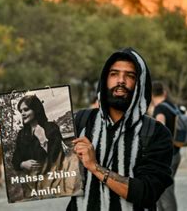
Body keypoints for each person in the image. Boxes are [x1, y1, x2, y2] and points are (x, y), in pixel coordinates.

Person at [68, 47, 173, 211]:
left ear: (140, 83)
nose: (120, 81)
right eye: (114, 74)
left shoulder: (156, 133)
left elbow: (147, 194)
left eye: (130, 76)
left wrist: (95, 167)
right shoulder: (81, 121)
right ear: (104, 80)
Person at [11, 94, 80, 198]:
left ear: (36, 110)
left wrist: (42, 138)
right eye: (21, 111)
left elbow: (57, 158)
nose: (23, 114)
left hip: (53, 184)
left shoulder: (51, 128)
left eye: (26, 110)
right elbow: (15, 158)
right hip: (31, 186)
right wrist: (22, 164)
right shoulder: (22, 134)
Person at [151, 81, 181, 211]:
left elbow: (160, 125)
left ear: (151, 95)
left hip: (165, 158)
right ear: (164, 93)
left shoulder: (160, 108)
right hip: (175, 153)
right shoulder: (172, 106)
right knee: (162, 190)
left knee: (165, 192)